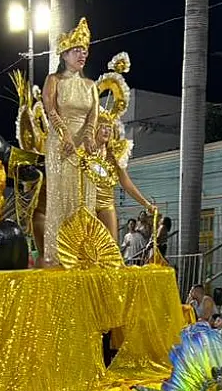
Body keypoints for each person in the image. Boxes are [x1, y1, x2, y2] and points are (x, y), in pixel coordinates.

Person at [40, 18, 101, 265]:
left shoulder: (90, 85)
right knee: (62, 197)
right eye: (77, 50)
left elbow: (94, 115)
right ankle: (59, 255)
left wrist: (89, 137)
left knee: (84, 199)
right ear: (64, 54)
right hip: (60, 144)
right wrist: (64, 134)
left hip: (84, 148)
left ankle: (83, 251)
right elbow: (49, 107)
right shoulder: (54, 80)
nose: (82, 55)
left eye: (85, 51)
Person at [90, 116, 157, 244]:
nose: (106, 131)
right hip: (87, 203)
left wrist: (146, 204)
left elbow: (126, 183)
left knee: (111, 245)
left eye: (109, 128)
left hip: (106, 203)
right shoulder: (85, 152)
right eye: (103, 127)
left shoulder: (114, 156)